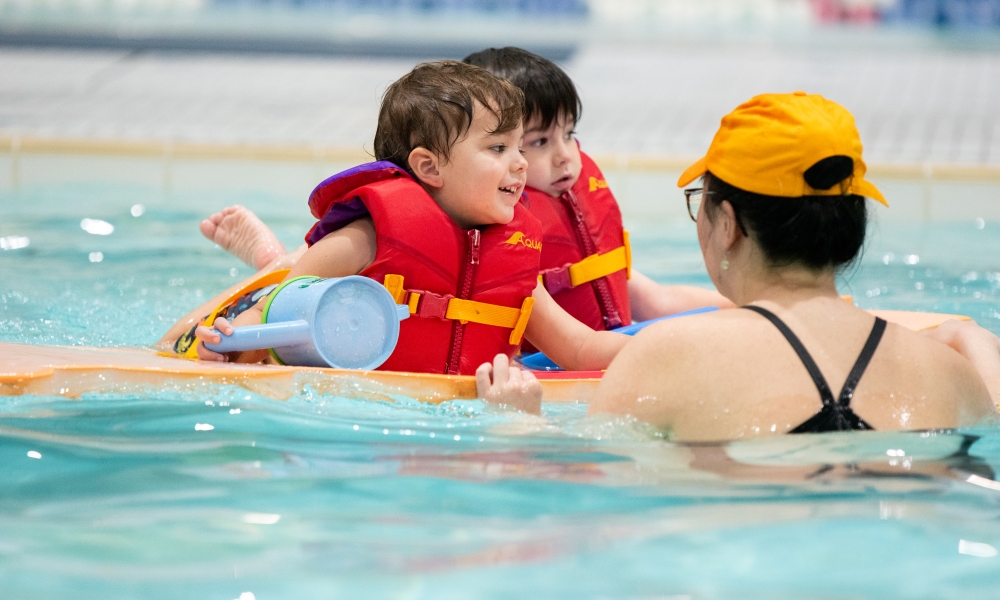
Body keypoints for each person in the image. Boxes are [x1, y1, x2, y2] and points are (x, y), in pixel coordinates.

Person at [477, 91, 1000, 440]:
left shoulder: (665, 361)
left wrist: (518, 424)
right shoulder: (954, 377)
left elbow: (588, 476)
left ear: (726, 222)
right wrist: (970, 338)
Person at [184, 60, 629, 375]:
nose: (520, 165)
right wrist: (230, 343)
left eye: (518, 147)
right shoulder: (367, 238)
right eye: (498, 149)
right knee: (277, 275)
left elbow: (579, 346)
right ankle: (267, 256)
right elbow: (274, 307)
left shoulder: (514, 259)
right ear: (429, 167)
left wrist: (661, 348)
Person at [463, 47, 731, 348]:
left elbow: (656, 301)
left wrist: (755, 307)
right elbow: (577, 350)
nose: (565, 156)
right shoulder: (504, 237)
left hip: (605, 348)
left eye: (568, 134)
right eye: (540, 141)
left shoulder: (572, 202)